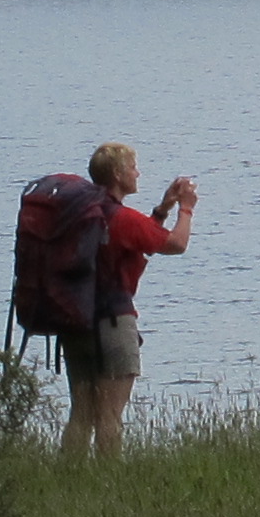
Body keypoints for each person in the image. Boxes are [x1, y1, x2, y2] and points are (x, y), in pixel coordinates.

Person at [60, 140, 195, 459]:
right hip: (114, 322)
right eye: (133, 167)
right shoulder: (123, 219)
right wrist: (186, 208)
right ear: (118, 174)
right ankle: (109, 483)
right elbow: (176, 244)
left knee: (81, 413)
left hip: (75, 322)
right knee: (109, 416)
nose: (138, 173)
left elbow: (140, 239)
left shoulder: (79, 217)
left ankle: (68, 478)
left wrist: (163, 209)